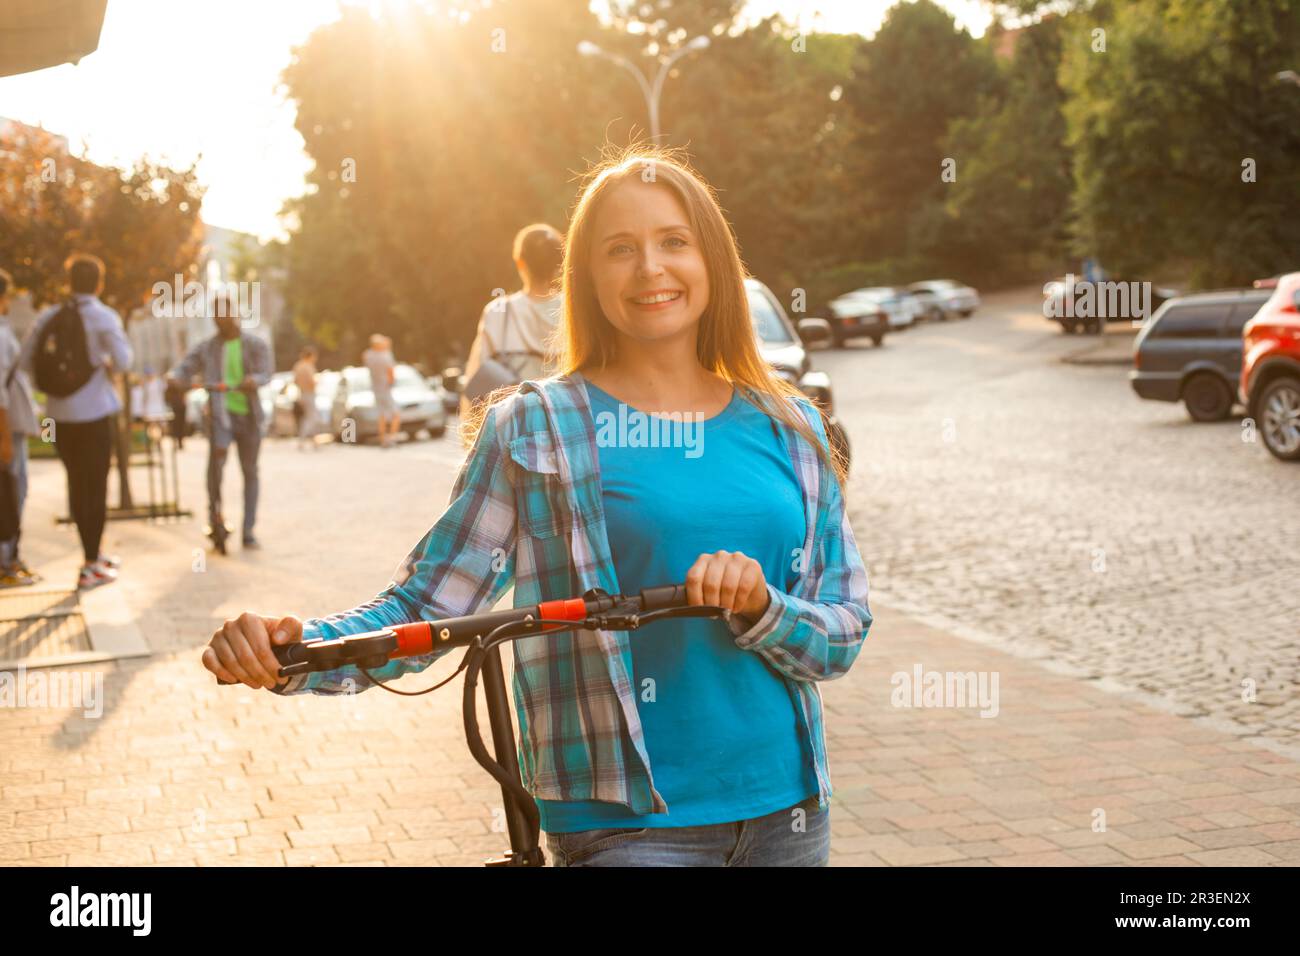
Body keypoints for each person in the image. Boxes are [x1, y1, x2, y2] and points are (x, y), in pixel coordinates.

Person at [201, 146, 871, 868]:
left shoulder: (791, 427)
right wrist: (295, 652)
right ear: (584, 278)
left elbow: (842, 627)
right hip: (627, 826)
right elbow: (428, 605)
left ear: (713, 259)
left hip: (787, 814)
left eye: (673, 242)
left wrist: (762, 607)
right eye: (621, 249)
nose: (651, 268)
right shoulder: (534, 428)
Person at [20, 254, 131, 590]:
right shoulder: (103, 317)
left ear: (69, 282)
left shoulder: (49, 316)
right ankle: (90, 564)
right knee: (95, 486)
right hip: (94, 413)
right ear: (99, 282)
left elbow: (26, 363)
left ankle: (93, 553)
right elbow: (125, 361)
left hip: (58, 418)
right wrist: (102, 361)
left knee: (76, 483)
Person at [166, 293, 272, 549]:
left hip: (248, 417)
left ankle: (248, 530)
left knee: (250, 472)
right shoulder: (207, 347)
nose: (220, 320)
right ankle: (215, 518)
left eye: (224, 314)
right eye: (216, 316)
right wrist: (175, 376)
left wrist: (253, 381)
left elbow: (266, 372)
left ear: (234, 314)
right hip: (220, 417)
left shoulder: (254, 344)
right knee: (215, 469)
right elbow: (185, 367)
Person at [459, 223, 564, 423]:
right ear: (561, 263)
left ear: (520, 263)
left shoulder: (498, 311)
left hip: (517, 429)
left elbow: (476, 382)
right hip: (568, 423)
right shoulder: (577, 309)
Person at [0, 268, 41, 587]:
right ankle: (6, 561)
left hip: (9, 428)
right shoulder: (0, 336)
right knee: (12, 494)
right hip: (7, 430)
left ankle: (10, 558)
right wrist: (4, 437)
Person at [360, 334, 399, 448]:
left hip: (376, 389)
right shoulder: (385, 356)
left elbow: (366, 355)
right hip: (386, 388)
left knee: (381, 416)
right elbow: (391, 372)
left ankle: (383, 440)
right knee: (395, 415)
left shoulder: (368, 355)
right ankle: (392, 438)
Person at [292, 346, 321, 451]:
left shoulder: (298, 366)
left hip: (302, 394)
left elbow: (295, 381)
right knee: (311, 418)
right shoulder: (308, 366)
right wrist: (318, 381)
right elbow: (311, 381)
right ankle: (302, 440)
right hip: (309, 394)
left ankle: (314, 441)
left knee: (308, 417)